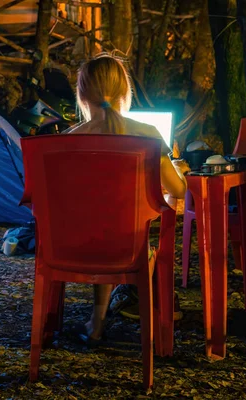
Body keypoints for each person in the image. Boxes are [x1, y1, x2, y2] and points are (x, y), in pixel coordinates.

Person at [64, 53, 190, 344]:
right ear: (125, 92)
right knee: (127, 229)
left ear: (82, 95)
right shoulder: (147, 135)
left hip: (72, 249)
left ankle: (97, 322)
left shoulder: (69, 140)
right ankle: (154, 315)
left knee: (102, 225)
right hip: (129, 249)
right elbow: (179, 191)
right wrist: (178, 170)